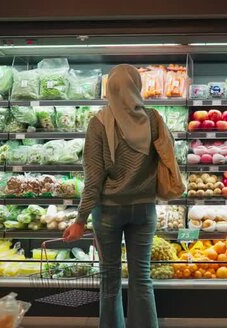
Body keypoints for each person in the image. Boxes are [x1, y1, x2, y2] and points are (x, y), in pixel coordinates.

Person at [63, 64, 163, 328]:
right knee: (142, 278)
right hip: (144, 209)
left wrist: (80, 220)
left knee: (110, 279)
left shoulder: (99, 123)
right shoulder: (153, 119)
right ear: (136, 86)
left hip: (107, 211)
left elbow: (93, 178)